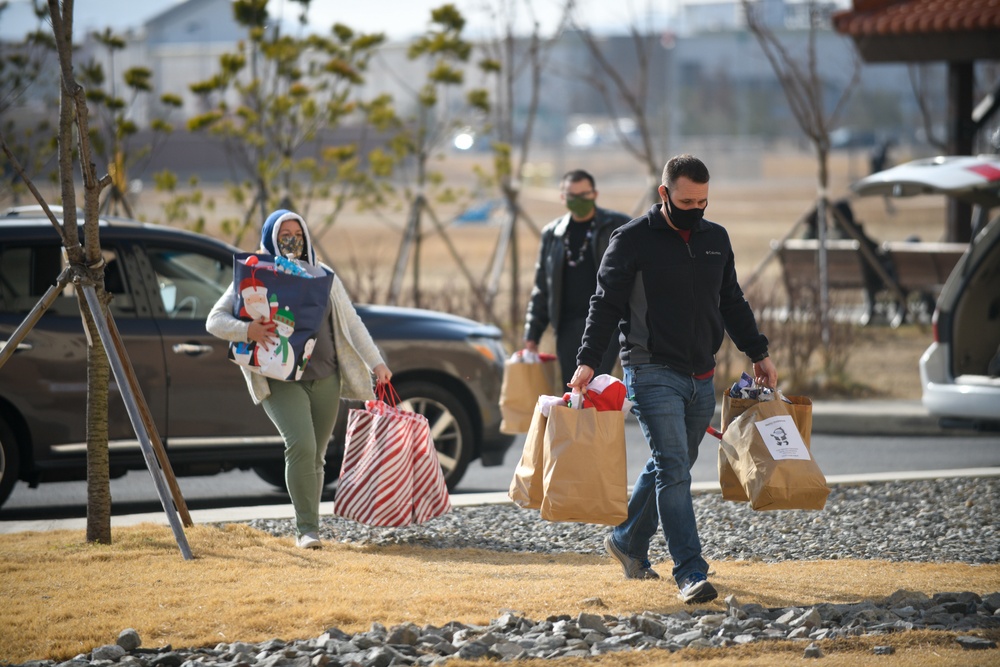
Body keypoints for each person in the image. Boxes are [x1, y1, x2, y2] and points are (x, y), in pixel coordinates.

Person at [568, 155, 778, 604]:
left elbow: (731, 300)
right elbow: (604, 305)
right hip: (649, 369)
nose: (696, 208)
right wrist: (588, 361)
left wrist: (758, 352)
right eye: (686, 200)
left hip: (702, 373)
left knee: (672, 463)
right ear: (664, 194)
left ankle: (625, 541)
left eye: (703, 201)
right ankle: (689, 571)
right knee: (673, 469)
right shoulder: (630, 241)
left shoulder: (716, 239)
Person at [207, 209, 392, 549]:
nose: (291, 240)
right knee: (301, 446)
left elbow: (352, 324)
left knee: (317, 456)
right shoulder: (254, 275)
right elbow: (214, 321)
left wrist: (377, 364)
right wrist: (247, 329)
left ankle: (313, 527)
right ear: (269, 239)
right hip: (279, 380)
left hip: (326, 377)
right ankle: (305, 530)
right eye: (283, 234)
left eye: (297, 233)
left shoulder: (323, 275)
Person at [524, 170, 631, 386]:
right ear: (562, 197)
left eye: (584, 195)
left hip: (605, 324)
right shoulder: (553, 233)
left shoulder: (617, 227)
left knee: (596, 387)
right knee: (572, 390)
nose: (579, 201)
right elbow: (543, 286)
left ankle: (598, 422)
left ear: (594, 194)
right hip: (567, 326)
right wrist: (532, 333)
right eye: (572, 196)